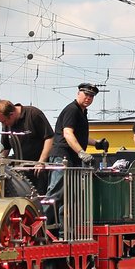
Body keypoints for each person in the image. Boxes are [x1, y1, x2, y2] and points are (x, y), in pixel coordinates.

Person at [46, 83, 108, 220]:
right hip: (62, 157)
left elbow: (80, 137)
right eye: (86, 94)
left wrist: (96, 143)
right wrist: (81, 152)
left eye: (91, 96)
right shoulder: (72, 110)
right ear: (78, 93)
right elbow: (68, 133)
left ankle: (63, 230)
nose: (88, 98)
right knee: (56, 193)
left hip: (72, 158)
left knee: (70, 196)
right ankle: (41, 226)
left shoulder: (81, 112)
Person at [0, 99, 54, 193]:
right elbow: (6, 148)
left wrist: (41, 161)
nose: (3, 124)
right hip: (19, 171)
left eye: (4, 121)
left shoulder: (33, 114)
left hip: (37, 169)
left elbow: (49, 137)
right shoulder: (6, 123)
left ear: (12, 114)